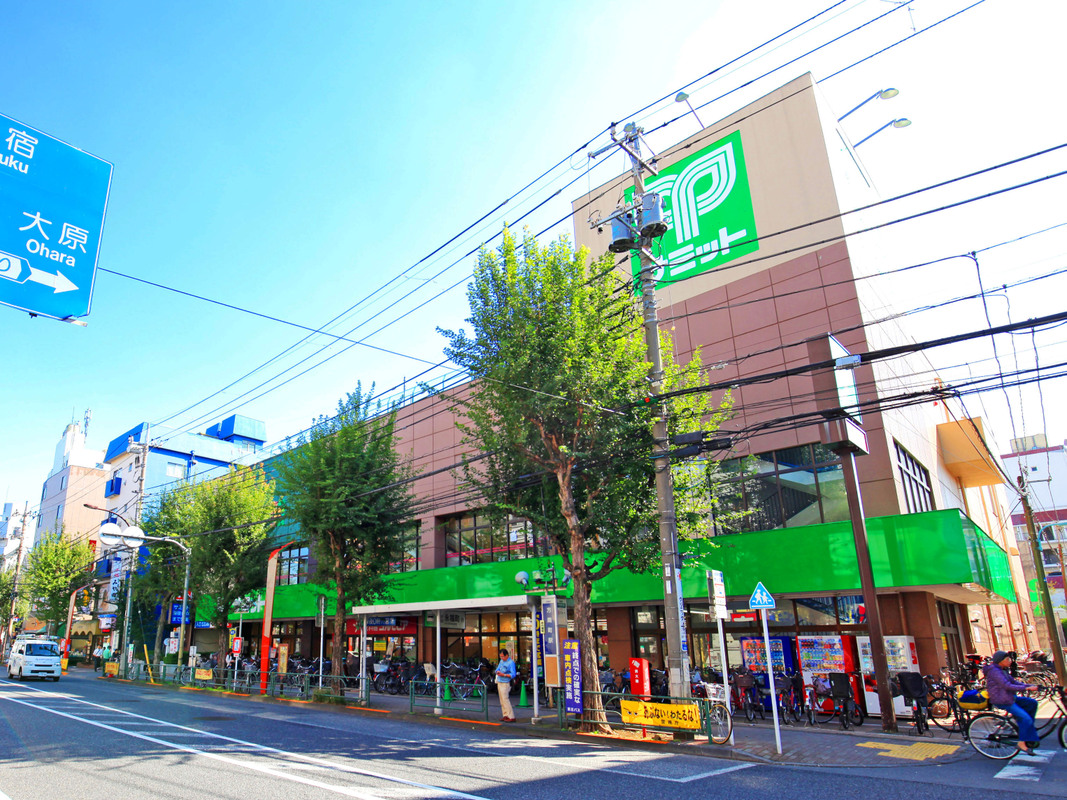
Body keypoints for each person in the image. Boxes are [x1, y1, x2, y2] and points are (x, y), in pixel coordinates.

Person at [983, 650, 1040, 755]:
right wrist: (1027, 688)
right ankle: (1022, 742)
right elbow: (1007, 685)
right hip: (1002, 700)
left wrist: (1030, 686)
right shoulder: (995, 671)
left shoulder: (1003, 670)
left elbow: (1014, 682)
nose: (1010, 661)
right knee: (1026, 718)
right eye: (1007, 659)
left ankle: (1026, 729)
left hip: (1009, 697)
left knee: (1032, 703)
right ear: (1000, 661)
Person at [494, 648, 517, 722]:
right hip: (499, 681)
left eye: (503, 656)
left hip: (506, 683)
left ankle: (511, 716)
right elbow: (497, 669)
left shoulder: (511, 663)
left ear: (507, 655)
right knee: (502, 700)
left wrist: (503, 675)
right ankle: (505, 715)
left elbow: (513, 674)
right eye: (500, 656)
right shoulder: (501, 661)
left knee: (505, 699)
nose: (502, 658)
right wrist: (497, 672)